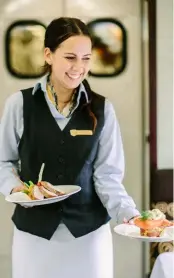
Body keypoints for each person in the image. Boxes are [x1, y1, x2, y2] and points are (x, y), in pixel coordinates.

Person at [0, 17, 140, 278]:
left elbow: (107, 176)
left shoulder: (103, 109)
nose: (79, 67)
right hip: (33, 236)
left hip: (88, 236)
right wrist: (16, 188)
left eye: (86, 58)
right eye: (70, 57)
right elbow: (2, 162)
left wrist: (130, 216)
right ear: (48, 55)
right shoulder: (19, 105)